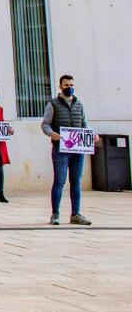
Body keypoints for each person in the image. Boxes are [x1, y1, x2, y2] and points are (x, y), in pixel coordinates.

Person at [41, 74, 99, 226]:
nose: (69, 87)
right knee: (59, 182)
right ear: (60, 87)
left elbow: (84, 124)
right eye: (66, 85)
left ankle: (75, 214)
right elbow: (45, 124)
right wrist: (50, 133)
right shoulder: (52, 104)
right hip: (60, 149)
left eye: (71, 85)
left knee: (76, 182)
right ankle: (55, 214)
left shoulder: (79, 104)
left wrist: (91, 135)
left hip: (77, 150)